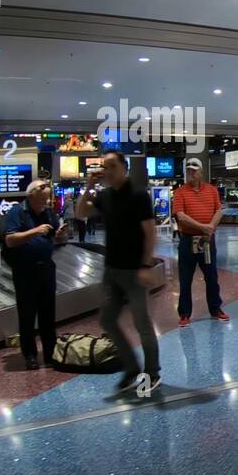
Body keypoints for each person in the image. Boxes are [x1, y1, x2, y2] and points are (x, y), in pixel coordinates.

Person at [77, 151, 160, 394]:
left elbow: (150, 232)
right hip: (112, 270)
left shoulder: (138, 195)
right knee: (107, 320)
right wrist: (88, 187)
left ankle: (152, 372)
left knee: (142, 323)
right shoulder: (105, 195)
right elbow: (81, 213)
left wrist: (146, 266)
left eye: (112, 166)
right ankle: (132, 367)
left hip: (134, 271)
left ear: (124, 167)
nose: (108, 171)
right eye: (105, 167)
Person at [4, 180, 69, 369]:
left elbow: (54, 236)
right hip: (25, 270)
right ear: (31, 196)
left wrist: (59, 234)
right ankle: (30, 355)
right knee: (27, 315)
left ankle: (50, 354)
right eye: (41, 198)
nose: (45, 202)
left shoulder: (48, 213)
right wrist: (35, 231)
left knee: (48, 314)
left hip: (46, 269)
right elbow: (10, 239)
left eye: (46, 198)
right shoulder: (17, 212)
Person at [171, 158, 228, 326]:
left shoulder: (211, 190)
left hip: (207, 240)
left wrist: (210, 227)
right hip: (188, 240)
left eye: (194, 169)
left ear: (201, 171)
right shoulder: (180, 192)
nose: (191, 172)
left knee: (211, 276)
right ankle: (184, 313)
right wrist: (203, 227)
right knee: (185, 278)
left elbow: (218, 210)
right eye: (189, 169)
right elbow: (180, 216)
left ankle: (216, 308)